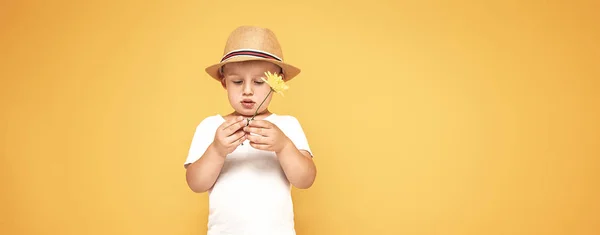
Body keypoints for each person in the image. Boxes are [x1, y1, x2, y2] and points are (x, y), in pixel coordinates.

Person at [183, 25, 317, 235]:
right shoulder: (211, 126)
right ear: (223, 82)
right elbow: (196, 183)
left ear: (277, 83)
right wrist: (217, 150)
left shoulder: (287, 126)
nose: (247, 90)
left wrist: (283, 146)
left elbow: (306, 179)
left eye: (259, 81)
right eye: (237, 81)